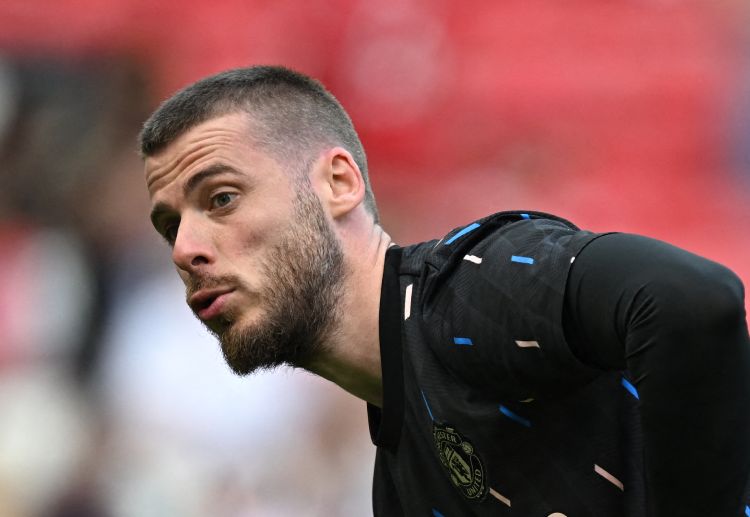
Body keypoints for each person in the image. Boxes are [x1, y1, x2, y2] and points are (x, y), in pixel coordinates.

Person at [139, 65, 750, 516]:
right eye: (169, 227)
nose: (184, 249)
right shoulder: (400, 482)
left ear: (338, 184)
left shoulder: (472, 286)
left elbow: (689, 300)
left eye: (222, 198)